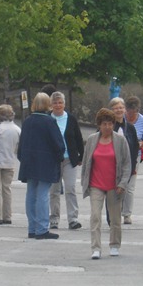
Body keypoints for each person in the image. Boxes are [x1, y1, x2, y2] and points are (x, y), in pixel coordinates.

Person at [81, 108, 132, 259]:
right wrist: (84, 181)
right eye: (104, 124)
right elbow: (86, 162)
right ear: (99, 125)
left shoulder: (120, 140)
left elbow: (127, 164)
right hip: (96, 184)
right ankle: (96, 248)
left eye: (110, 124)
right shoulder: (92, 140)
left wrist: (122, 184)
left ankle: (114, 244)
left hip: (115, 186)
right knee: (95, 216)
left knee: (115, 218)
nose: (108, 127)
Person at [18, 92, 65, 240]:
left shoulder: (27, 121)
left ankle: (32, 227)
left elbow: (21, 143)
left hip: (29, 161)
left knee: (31, 194)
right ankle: (42, 228)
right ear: (47, 104)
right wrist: (59, 157)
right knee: (43, 194)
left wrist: (22, 158)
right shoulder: (49, 122)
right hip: (45, 162)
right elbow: (58, 144)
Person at [48, 91, 84, 230]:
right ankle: (54, 219)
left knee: (70, 188)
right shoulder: (48, 118)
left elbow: (78, 138)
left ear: (64, 104)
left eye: (60, 102)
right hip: (53, 160)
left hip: (69, 159)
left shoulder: (71, 118)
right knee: (54, 191)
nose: (58, 105)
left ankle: (73, 219)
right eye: (55, 103)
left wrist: (81, 156)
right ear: (51, 104)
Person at [123, 96, 143, 224]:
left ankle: (127, 214)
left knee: (130, 187)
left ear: (137, 110)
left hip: (135, 155)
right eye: (128, 112)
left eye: (133, 113)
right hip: (120, 155)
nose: (130, 115)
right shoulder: (121, 118)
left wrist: (138, 144)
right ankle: (115, 210)